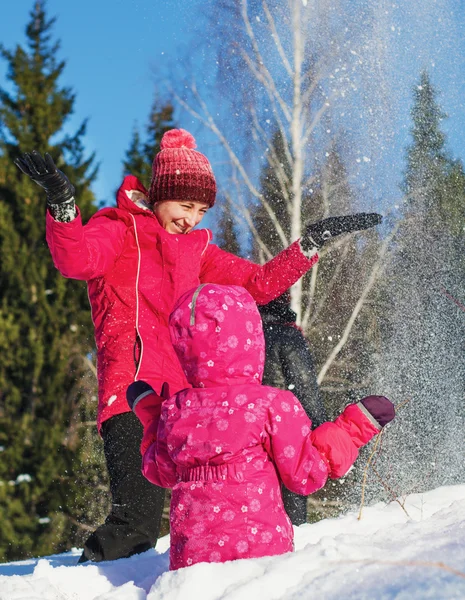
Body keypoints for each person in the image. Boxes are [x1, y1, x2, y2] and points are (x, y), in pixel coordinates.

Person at [15, 129, 382, 563]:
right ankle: (79, 588)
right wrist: (62, 205)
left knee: (211, 516)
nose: (193, 218)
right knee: (136, 520)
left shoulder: (198, 249)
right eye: (186, 206)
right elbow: (74, 259)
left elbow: (258, 284)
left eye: (202, 210)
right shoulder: (119, 230)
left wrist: (309, 244)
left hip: (186, 407)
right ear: (160, 194)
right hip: (132, 394)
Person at [126, 283, 395, 570]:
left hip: (192, 564)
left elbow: (160, 470)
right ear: (251, 339)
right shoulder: (270, 404)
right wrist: (350, 431)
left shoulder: (176, 410)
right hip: (261, 556)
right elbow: (305, 473)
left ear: (185, 345)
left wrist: (153, 418)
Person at [258, 292, 327, 525]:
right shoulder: (287, 336)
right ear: (284, 303)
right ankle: (292, 551)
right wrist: (321, 429)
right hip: (287, 431)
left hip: (250, 430)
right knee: (292, 498)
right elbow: (305, 387)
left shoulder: (247, 335)